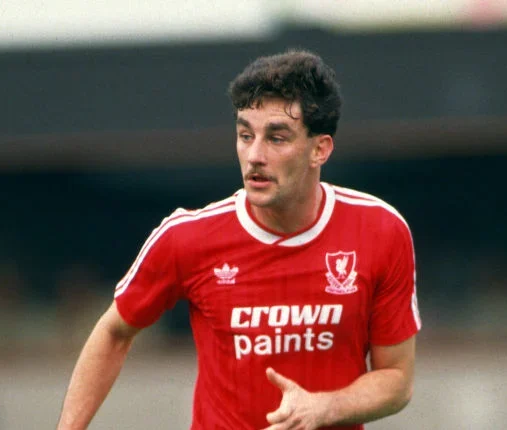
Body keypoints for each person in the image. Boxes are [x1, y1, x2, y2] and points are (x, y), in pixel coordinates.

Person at [57, 49, 421, 430]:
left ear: (320, 149)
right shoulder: (187, 237)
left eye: (277, 138)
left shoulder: (380, 230)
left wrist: (323, 408)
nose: (255, 156)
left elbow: (396, 380)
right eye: (245, 135)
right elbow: (114, 332)